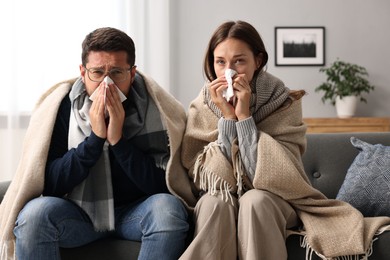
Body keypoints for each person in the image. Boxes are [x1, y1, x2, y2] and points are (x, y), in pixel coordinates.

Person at [179, 20, 390, 259]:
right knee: (214, 202)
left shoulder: (283, 102)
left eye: (239, 61)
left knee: (254, 200)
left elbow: (280, 174)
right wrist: (227, 119)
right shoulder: (203, 105)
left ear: (257, 61)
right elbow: (207, 177)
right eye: (221, 62)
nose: (229, 71)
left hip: (276, 199)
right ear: (212, 63)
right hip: (221, 195)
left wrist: (244, 117)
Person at [0, 27, 197, 260]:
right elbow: (50, 183)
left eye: (116, 72)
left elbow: (166, 185)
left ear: (132, 74)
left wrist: (118, 142)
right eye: (97, 72)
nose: (107, 83)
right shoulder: (62, 108)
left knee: (168, 211)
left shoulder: (158, 108)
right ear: (83, 73)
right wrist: (94, 140)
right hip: (78, 214)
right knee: (33, 216)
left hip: (135, 212)